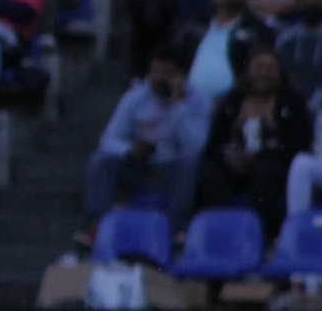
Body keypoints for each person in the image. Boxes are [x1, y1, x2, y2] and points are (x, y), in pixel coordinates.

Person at [85, 47, 212, 232]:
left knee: (190, 162)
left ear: (181, 75)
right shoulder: (135, 97)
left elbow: (195, 146)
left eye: (166, 72)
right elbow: (107, 139)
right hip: (142, 168)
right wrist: (129, 149)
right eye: (155, 71)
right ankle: (96, 226)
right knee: (100, 160)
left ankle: (176, 227)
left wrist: (178, 106)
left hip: (175, 171)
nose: (159, 78)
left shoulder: (199, 100)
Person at [195, 45, 309, 237]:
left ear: (280, 71)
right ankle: (222, 230)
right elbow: (214, 142)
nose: (263, 73)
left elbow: (299, 144)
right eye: (258, 66)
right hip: (233, 166)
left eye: (270, 67)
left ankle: (258, 234)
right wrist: (229, 157)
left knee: (266, 172)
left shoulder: (293, 102)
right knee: (208, 170)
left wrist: (258, 157)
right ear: (248, 70)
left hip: (274, 166)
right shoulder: (233, 100)